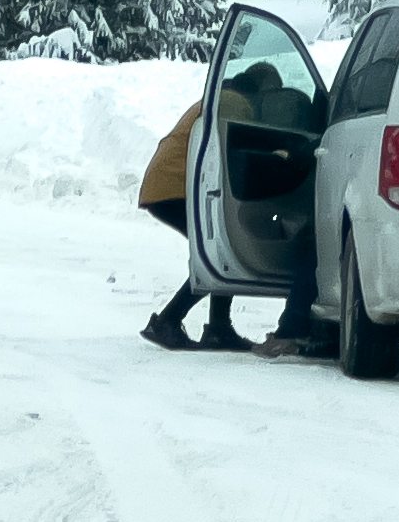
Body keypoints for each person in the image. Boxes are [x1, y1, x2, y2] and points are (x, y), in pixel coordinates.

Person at [136, 89, 323, 353]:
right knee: (217, 253)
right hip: (179, 187)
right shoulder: (237, 102)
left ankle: (218, 328)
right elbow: (235, 139)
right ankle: (167, 321)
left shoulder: (221, 96)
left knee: (222, 248)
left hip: (169, 184)